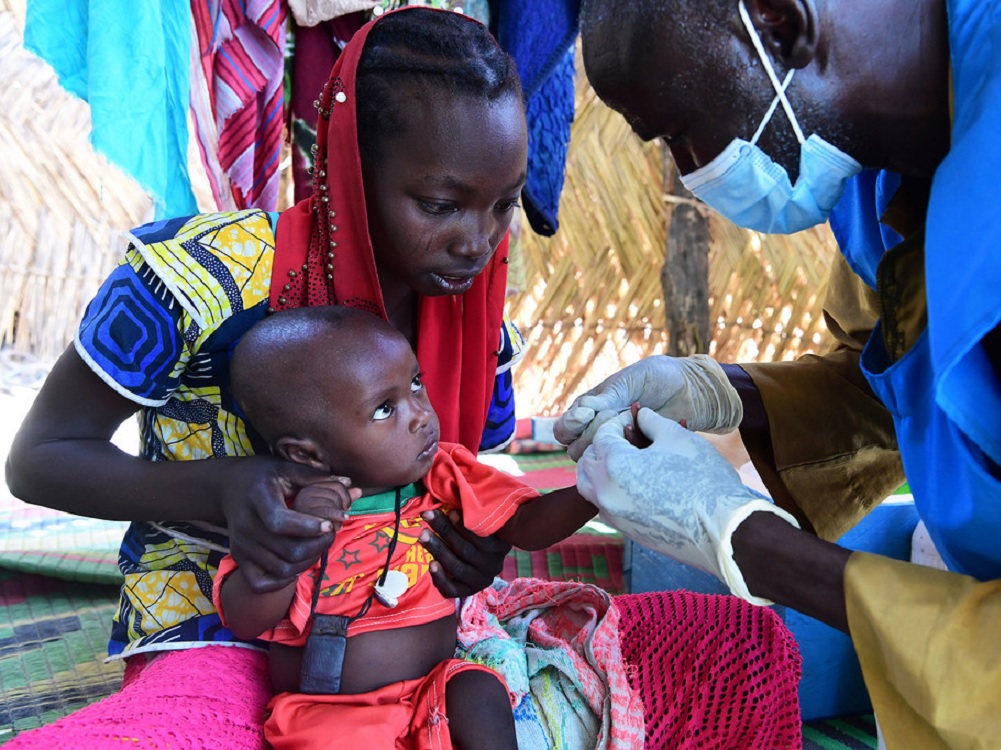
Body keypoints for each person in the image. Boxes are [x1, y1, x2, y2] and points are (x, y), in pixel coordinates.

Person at [3, 8, 529, 746]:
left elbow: (467, 474)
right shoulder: (196, 281)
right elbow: (38, 459)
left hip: (411, 637)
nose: (476, 241)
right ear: (351, 164)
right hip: (211, 621)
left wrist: (473, 547)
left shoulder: (478, 323)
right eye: (440, 205)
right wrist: (220, 486)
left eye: (502, 204)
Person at [560, 0, 1001, 746]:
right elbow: (906, 382)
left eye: (676, 130)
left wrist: (739, 535)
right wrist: (723, 397)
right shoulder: (880, 179)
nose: (685, 169)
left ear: (774, 24)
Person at [216, 305, 600, 749]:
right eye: (384, 409)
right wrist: (295, 545)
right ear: (306, 455)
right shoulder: (284, 512)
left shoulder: (445, 473)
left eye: (416, 384)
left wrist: (595, 488)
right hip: (329, 715)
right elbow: (244, 619)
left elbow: (527, 524)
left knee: (479, 689)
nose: (419, 414)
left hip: (431, 691)